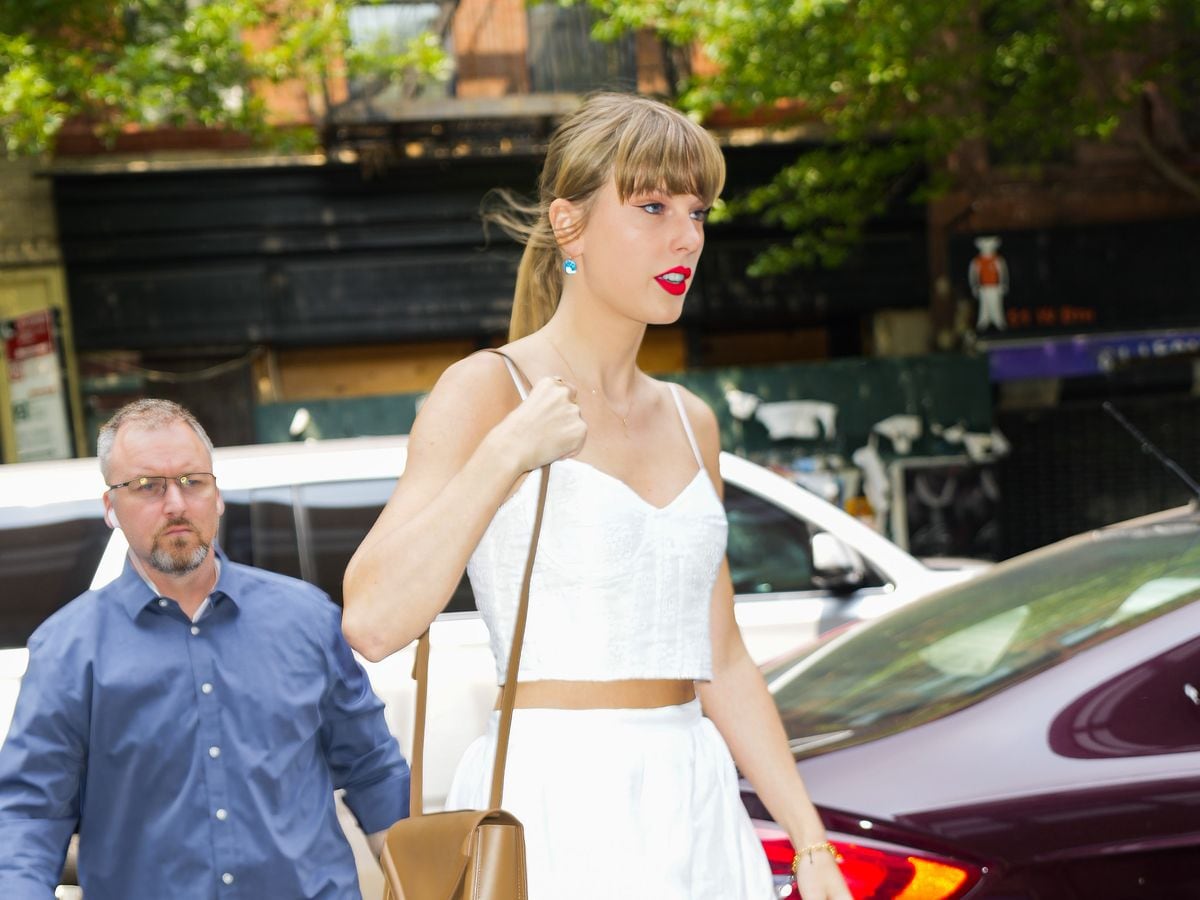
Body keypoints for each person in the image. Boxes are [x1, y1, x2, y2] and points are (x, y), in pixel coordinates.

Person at [342, 93, 851, 900]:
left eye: (698, 211)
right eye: (651, 206)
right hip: (553, 805)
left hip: (695, 798)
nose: (686, 235)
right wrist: (509, 451)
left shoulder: (692, 422)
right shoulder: (487, 390)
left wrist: (810, 842)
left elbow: (719, 655)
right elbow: (371, 622)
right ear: (569, 225)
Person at [0, 399, 410, 899]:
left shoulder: (306, 619)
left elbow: (372, 768)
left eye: (192, 481)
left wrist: (419, 882)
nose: (175, 503)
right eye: (147, 486)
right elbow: (31, 812)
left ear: (217, 496)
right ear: (110, 508)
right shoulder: (67, 651)